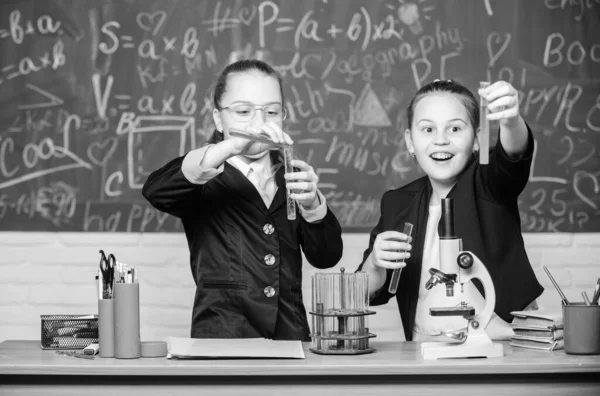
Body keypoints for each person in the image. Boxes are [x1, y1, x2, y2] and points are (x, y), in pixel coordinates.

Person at [142, 59, 343, 341]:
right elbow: (155, 191)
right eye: (243, 111)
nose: (259, 123)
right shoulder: (204, 176)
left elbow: (326, 257)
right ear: (217, 119)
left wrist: (313, 207)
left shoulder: (293, 176)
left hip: (290, 338)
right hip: (223, 338)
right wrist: (230, 145)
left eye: (271, 111)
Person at [358, 79, 543, 342]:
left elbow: (512, 157)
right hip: (425, 355)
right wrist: (375, 262)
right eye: (428, 129)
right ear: (410, 141)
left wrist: (511, 121)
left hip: (504, 348)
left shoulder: (490, 183)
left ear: (477, 139)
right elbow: (366, 293)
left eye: (455, 128)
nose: (441, 140)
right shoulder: (397, 203)